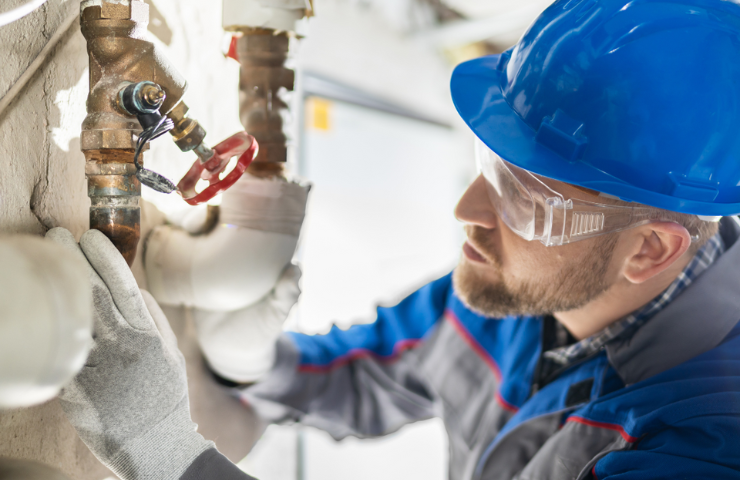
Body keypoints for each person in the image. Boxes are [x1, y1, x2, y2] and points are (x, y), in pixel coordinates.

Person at [48, 0, 740, 478]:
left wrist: (166, 454)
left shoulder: (702, 445)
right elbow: (367, 374)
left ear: (651, 250)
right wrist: (250, 358)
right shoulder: (507, 292)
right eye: (490, 166)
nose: (468, 210)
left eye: (529, 200)